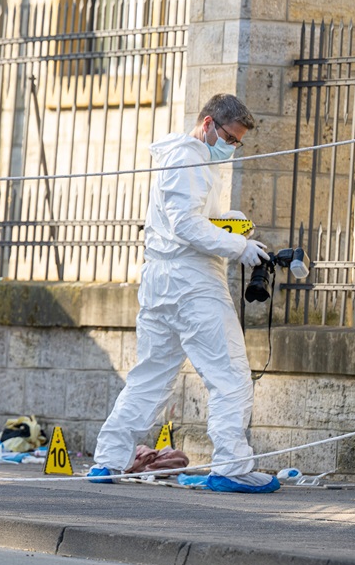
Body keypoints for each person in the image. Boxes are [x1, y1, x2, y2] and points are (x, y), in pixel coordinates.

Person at [88, 93, 280, 494]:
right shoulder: (189, 158)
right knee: (229, 374)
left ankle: (109, 458)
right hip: (190, 283)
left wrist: (231, 225)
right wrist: (238, 247)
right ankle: (231, 464)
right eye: (230, 138)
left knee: (151, 376)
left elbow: (190, 220)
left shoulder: (187, 160)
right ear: (208, 124)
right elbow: (185, 226)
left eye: (238, 143)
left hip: (162, 283)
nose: (232, 148)